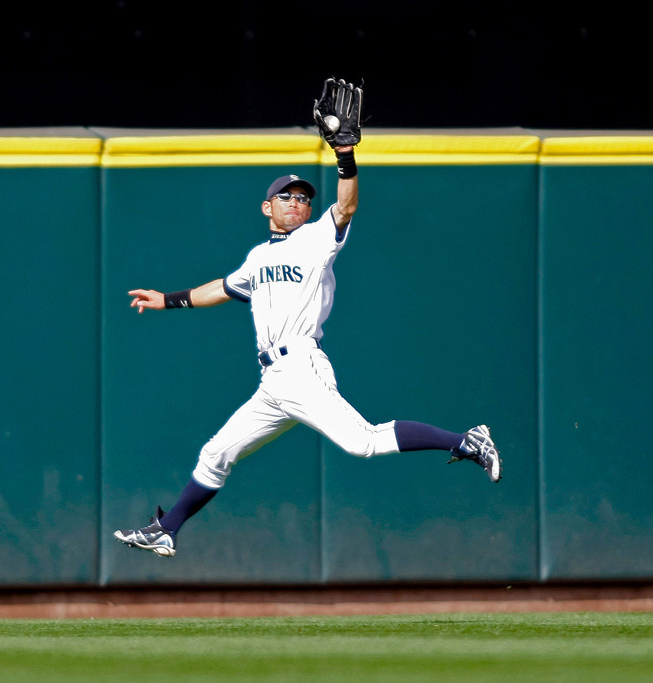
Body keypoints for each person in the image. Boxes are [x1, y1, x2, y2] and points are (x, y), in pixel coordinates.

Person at [113, 78, 501, 558]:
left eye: (303, 198)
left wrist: (344, 154)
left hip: (301, 366)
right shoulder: (257, 257)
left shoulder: (318, 238)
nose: (298, 203)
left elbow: (348, 204)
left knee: (363, 442)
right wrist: (167, 299)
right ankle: (166, 529)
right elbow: (223, 287)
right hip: (273, 381)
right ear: (267, 206)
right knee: (217, 454)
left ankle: (466, 441)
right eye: (288, 197)